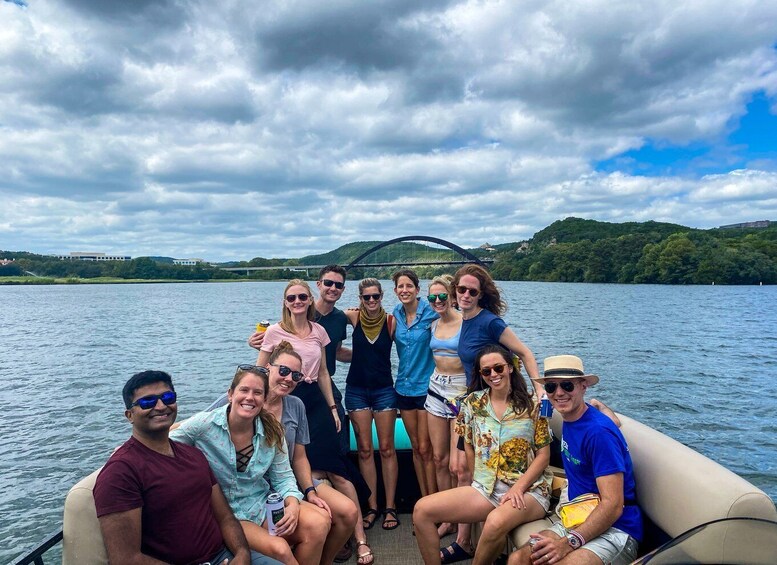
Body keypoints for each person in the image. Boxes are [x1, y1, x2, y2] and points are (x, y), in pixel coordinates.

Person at [93, 370, 281, 565]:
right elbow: (126, 560)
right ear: (129, 415)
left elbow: (225, 518)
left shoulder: (194, 455)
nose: (160, 406)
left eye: (167, 397)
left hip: (223, 555)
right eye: (147, 402)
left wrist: (242, 554)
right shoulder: (120, 473)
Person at [171, 364, 330, 564]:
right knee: (280, 548)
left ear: (264, 400)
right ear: (230, 394)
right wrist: (124, 453)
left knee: (319, 522)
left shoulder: (272, 431)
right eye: (244, 390)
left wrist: (292, 503)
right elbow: (164, 440)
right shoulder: (205, 425)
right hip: (225, 512)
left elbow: (283, 476)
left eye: (257, 393)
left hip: (260, 503)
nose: (249, 397)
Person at [414, 345, 554, 565]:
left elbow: (543, 456)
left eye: (498, 368)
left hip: (529, 490)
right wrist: (478, 477)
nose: (493, 375)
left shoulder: (532, 406)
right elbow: (468, 444)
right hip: (488, 488)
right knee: (421, 511)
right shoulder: (472, 404)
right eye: (486, 371)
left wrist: (518, 488)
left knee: (495, 521)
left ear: (510, 368)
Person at [509, 355, 642, 565]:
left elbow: (613, 505)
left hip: (616, 529)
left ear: (583, 387)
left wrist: (568, 543)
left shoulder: (599, 434)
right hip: (576, 517)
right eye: (551, 387)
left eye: (567, 386)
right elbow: (609, 419)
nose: (559, 393)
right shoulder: (572, 418)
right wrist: (604, 408)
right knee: (518, 559)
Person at [261, 341, 372, 565]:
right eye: (283, 371)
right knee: (319, 522)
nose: (288, 379)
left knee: (348, 512)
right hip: (261, 485)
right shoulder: (249, 400)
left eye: (296, 376)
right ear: (268, 368)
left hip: (291, 477)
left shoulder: (295, 406)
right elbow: (205, 421)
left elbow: (299, 457)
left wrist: (310, 491)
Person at [344, 278, 400, 533]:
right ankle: (372, 506)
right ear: (360, 299)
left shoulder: (391, 322)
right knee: (365, 450)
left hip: (384, 390)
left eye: (376, 296)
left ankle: (390, 507)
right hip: (356, 391)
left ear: (382, 296)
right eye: (366, 297)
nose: (372, 301)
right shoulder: (353, 318)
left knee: (387, 449)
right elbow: (321, 316)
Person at [424, 275, 473, 549]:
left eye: (442, 296)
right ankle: (447, 517)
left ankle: (462, 524)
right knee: (439, 459)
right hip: (435, 390)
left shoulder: (467, 324)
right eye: (432, 298)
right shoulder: (432, 324)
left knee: (460, 466)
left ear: (452, 295)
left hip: (460, 393)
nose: (438, 301)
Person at [452, 264, 540, 390]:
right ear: (455, 289)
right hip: (477, 399)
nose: (466, 295)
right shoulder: (465, 320)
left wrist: (539, 389)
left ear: (480, 295)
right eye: (462, 289)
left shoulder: (490, 322)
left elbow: (525, 353)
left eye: (473, 292)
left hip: (496, 398)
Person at [392, 268, 439, 501]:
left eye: (409, 286)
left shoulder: (432, 312)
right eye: (400, 286)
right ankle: (423, 500)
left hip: (426, 389)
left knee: (425, 449)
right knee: (416, 449)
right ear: (395, 291)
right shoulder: (395, 314)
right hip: (403, 387)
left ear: (418, 290)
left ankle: (434, 502)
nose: (405, 290)